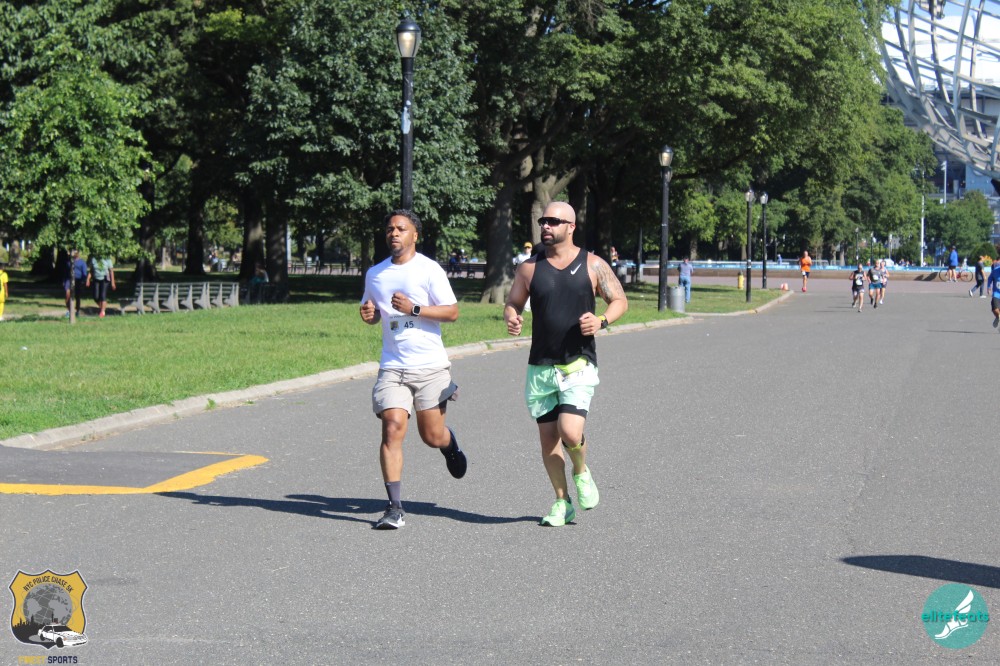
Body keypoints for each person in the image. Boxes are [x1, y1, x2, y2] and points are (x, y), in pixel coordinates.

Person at [503, 201, 628, 527]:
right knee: (548, 441)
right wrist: (511, 316)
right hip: (541, 366)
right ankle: (562, 502)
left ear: (571, 227)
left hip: (578, 363)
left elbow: (619, 300)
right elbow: (513, 302)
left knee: (570, 431)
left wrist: (601, 321)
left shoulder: (593, 264)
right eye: (543, 221)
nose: (546, 226)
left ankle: (581, 471)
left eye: (554, 221)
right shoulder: (529, 268)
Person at [360, 209, 467, 530]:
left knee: (431, 436)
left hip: (430, 366)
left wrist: (414, 308)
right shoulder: (375, 273)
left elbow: (452, 312)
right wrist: (369, 315)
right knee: (392, 427)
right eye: (390, 229)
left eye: (401, 229)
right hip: (393, 366)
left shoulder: (429, 269)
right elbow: (374, 311)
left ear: (414, 235)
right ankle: (394, 508)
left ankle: (450, 445)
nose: (394, 233)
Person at [64, 250, 88, 317]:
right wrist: (64, 281)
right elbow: (65, 272)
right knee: (67, 295)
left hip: (78, 280)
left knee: (77, 296)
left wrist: (83, 281)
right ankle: (69, 310)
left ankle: (77, 310)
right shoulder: (69, 262)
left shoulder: (82, 263)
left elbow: (84, 273)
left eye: (75, 253)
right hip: (69, 279)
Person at [988, 263, 1000, 331]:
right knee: (995, 309)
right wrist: (988, 286)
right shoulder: (995, 270)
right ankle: (998, 317)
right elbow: (990, 278)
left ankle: (998, 317)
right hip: (996, 293)